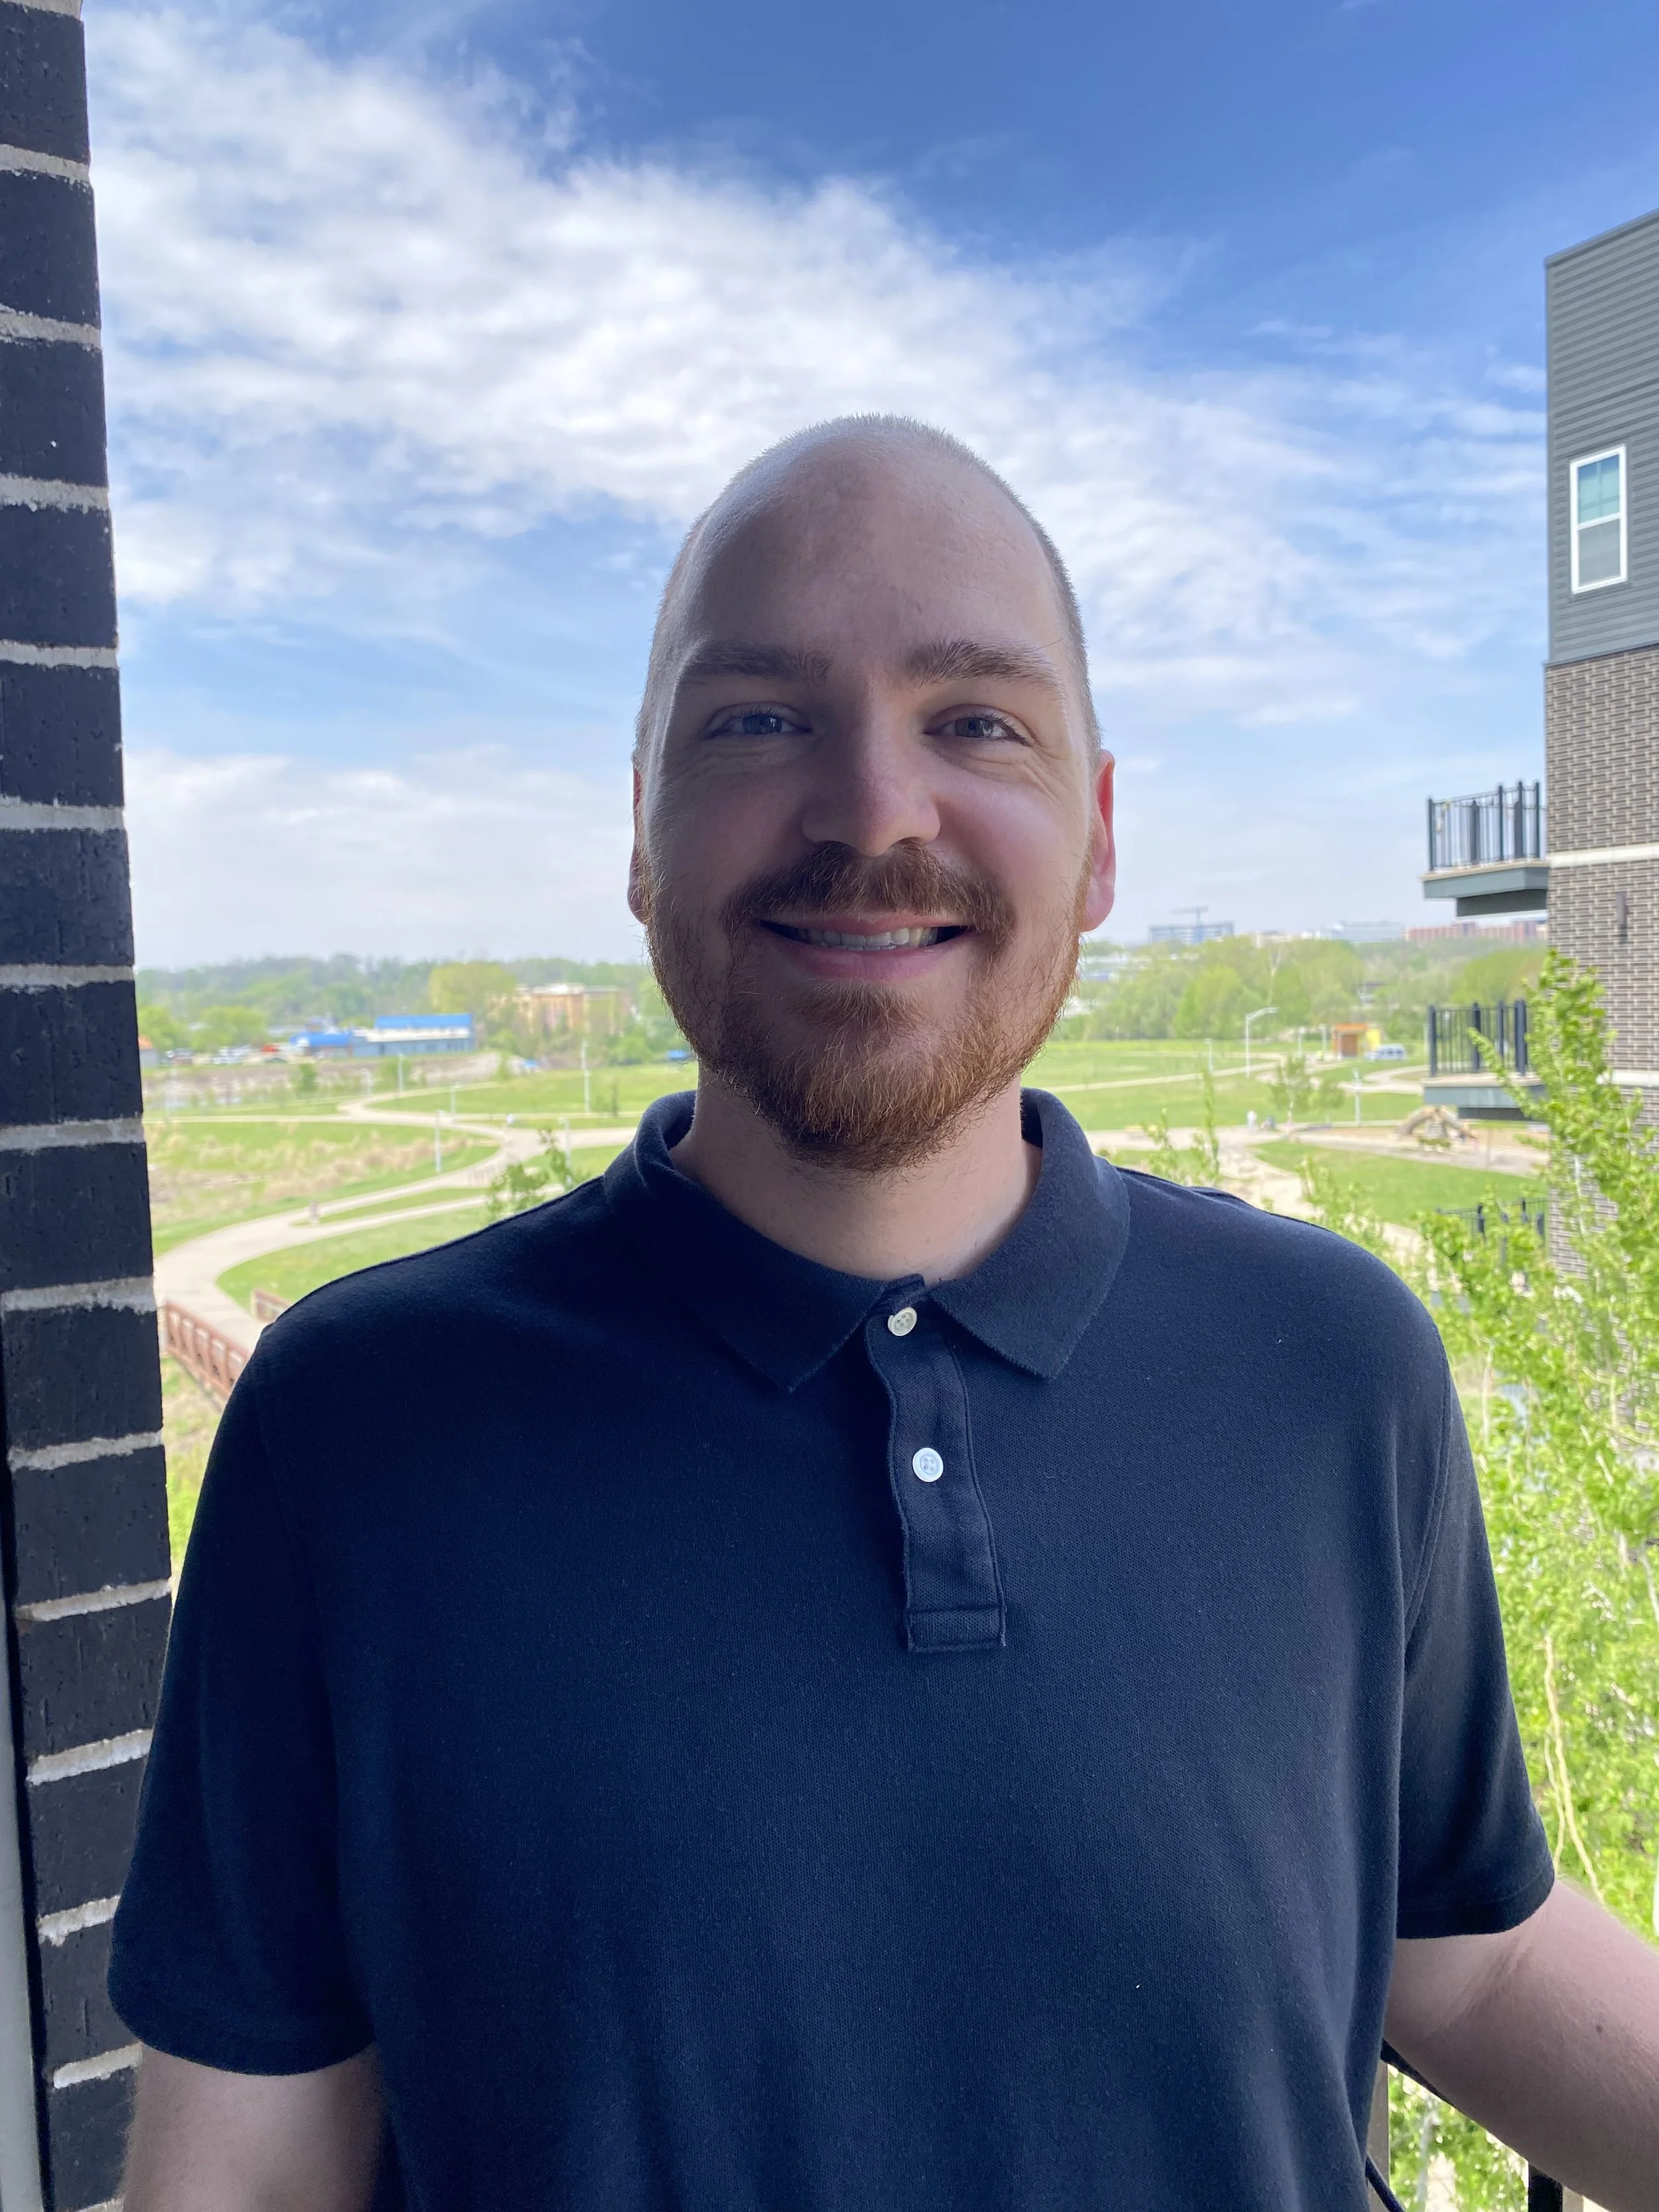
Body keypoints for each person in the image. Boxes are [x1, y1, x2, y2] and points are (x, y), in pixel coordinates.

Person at [110, 419, 1659, 2211]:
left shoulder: (1330, 1364)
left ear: (1092, 840)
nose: (872, 806)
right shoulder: (361, 1426)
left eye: (975, 717)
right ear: (641, 833)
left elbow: (1464, 1948)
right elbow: (245, 2164)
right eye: (757, 716)